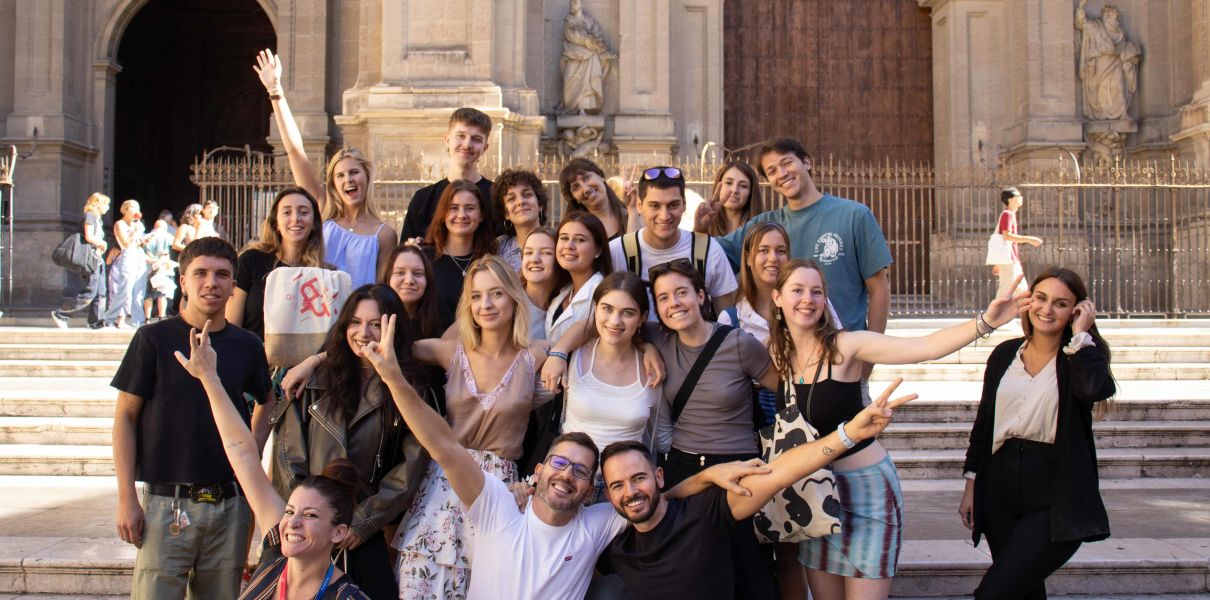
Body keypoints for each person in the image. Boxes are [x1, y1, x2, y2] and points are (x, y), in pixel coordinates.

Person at [359, 309, 773, 600]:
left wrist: (709, 476)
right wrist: (393, 377)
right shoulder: (497, 506)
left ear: (591, 489)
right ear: (538, 471)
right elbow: (443, 444)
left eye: (580, 471)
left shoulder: (597, 522)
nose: (567, 474)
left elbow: (656, 498)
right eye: (559, 463)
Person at [767, 259, 1023, 600]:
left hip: (866, 492)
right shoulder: (776, 354)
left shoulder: (846, 345)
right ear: (777, 297)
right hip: (813, 497)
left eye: (816, 291)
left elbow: (922, 348)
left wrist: (985, 322)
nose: (807, 299)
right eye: (797, 290)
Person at [597, 377, 916, 600]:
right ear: (608, 495)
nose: (630, 491)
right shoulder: (613, 544)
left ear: (659, 476)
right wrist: (705, 476)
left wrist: (849, 434)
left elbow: (780, 472)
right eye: (618, 485)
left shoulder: (703, 511)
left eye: (638, 478)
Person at [111, 237, 272, 599]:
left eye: (222, 275)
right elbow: (124, 418)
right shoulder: (152, 339)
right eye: (201, 273)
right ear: (183, 281)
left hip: (229, 504)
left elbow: (268, 402)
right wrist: (126, 497)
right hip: (166, 503)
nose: (211, 283)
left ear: (234, 286)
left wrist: (249, 454)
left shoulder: (247, 345)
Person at [392, 255, 555, 598]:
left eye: (496, 293)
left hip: (499, 488)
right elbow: (384, 348)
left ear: (514, 297)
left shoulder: (535, 355)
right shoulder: (450, 352)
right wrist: (315, 360)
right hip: (443, 481)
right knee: (419, 584)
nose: (486, 305)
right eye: (476, 296)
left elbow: (591, 329)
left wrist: (564, 354)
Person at [173, 323, 371, 599]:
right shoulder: (275, 554)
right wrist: (209, 378)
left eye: (311, 515)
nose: (293, 522)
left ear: (338, 532)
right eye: (289, 511)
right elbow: (242, 452)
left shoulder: (347, 597)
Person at [959, 267, 1115, 600]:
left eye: (1061, 303)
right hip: (998, 488)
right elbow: (984, 423)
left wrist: (1081, 335)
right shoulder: (1004, 354)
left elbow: (1095, 389)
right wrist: (971, 484)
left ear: (1076, 311)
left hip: (1053, 493)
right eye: (1041, 298)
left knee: (994, 593)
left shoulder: (1079, 357)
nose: (1047, 309)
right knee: (1023, 593)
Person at [271, 284, 432, 599]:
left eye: (375, 324)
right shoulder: (314, 379)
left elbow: (413, 464)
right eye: (355, 322)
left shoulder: (408, 387)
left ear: (392, 328)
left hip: (362, 526)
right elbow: (288, 453)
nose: (363, 332)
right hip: (306, 526)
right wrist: (311, 514)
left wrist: (364, 520)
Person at [645, 258, 781, 599]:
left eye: (682, 292)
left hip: (740, 467)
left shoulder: (739, 343)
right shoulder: (658, 340)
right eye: (663, 298)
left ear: (701, 296)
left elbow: (784, 391)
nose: (674, 303)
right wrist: (646, 347)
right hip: (684, 470)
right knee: (696, 575)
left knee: (751, 571)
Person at [697, 138, 892, 337]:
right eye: (772, 171)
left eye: (787, 163)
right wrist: (701, 228)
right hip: (787, 350)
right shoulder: (764, 226)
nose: (781, 174)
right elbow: (707, 254)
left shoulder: (854, 216)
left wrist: (870, 350)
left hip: (845, 348)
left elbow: (879, 289)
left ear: (806, 162)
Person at [255, 49, 396, 288]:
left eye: (354, 172)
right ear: (333, 184)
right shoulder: (322, 211)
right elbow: (295, 150)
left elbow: (383, 287)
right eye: (340, 175)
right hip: (315, 308)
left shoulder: (384, 234)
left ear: (367, 176)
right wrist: (275, 91)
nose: (347, 179)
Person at [560, 271, 659, 499]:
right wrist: (557, 353)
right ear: (595, 308)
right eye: (607, 309)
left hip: (626, 488)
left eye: (628, 313)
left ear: (642, 318)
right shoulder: (574, 353)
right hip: (570, 478)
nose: (615, 321)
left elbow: (660, 436)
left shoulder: (652, 367)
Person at [610, 166, 738, 317]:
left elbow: (728, 319)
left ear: (684, 204)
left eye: (673, 205)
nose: (664, 216)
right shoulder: (617, 252)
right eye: (655, 206)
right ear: (639, 205)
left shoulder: (709, 251)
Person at [226, 185, 328, 341]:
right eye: (287, 212)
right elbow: (232, 326)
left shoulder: (324, 273)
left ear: (314, 223)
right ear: (276, 223)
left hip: (306, 357)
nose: (295, 218)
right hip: (251, 355)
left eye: (304, 212)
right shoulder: (250, 260)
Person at [400, 108, 496, 242]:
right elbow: (407, 250)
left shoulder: (497, 197)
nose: (467, 144)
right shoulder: (422, 199)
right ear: (447, 140)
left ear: (485, 147)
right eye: (461, 136)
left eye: (476, 139)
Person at [424, 178, 498, 317]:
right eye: (454, 208)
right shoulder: (423, 260)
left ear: (481, 215)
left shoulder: (492, 260)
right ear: (443, 214)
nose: (462, 215)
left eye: (470, 208)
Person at [547, 211, 613, 342]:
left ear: (598, 250)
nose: (569, 246)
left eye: (580, 240)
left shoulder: (604, 294)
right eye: (564, 238)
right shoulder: (563, 290)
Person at [51, 192, 110, 329]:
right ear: (98, 204)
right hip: (91, 260)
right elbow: (89, 237)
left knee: (100, 292)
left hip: (97, 259)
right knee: (90, 292)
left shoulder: (97, 219)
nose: (108, 207)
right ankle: (61, 313)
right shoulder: (90, 216)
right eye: (106, 204)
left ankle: (96, 322)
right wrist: (103, 243)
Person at [102, 199, 149, 329]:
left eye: (138, 208)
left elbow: (137, 243)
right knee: (125, 290)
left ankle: (138, 320)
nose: (136, 210)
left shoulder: (138, 224)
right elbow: (125, 244)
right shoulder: (120, 224)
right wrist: (135, 231)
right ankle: (109, 318)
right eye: (133, 207)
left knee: (139, 290)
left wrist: (144, 240)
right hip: (128, 256)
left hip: (139, 255)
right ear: (125, 209)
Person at [559, 158, 630, 239]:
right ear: (575, 199)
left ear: (601, 176)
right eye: (576, 187)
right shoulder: (574, 230)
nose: (586, 189)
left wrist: (632, 209)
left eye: (586, 178)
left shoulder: (631, 215)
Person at [493, 169, 549, 271]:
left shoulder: (557, 242)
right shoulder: (499, 247)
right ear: (506, 213)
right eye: (511, 199)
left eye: (527, 194)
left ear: (540, 204)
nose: (521, 202)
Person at [991, 187, 1043, 297]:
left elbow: (1000, 237)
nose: (1021, 198)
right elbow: (1007, 236)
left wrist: (997, 262)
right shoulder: (1007, 214)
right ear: (1010, 200)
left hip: (1010, 259)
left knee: (1019, 289)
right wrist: (1030, 239)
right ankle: (999, 308)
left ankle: (1006, 307)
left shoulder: (1009, 214)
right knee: (1012, 289)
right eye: (1018, 196)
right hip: (1009, 259)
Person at [520, 227, 559, 343]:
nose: (534, 259)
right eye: (528, 252)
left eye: (546, 253)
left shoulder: (567, 302)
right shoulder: (510, 303)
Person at [706, 160, 760, 237]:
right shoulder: (705, 228)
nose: (734, 190)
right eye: (729, 183)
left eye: (743, 186)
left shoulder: (760, 231)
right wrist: (699, 228)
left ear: (751, 193)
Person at [142, 219, 177, 322]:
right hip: (164, 269)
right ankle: (161, 317)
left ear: (154, 226)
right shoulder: (168, 236)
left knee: (148, 295)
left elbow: (142, 252)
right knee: (162, 294)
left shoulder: (146, 236)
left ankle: (147, 319)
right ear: (165, 228)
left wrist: (153, 261)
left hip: (149, 269)